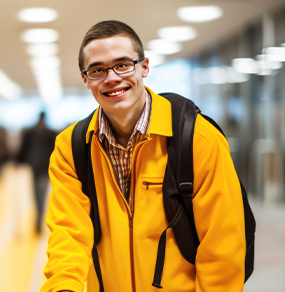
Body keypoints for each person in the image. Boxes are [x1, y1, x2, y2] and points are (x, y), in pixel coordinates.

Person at [42, 20, 246, 292]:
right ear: (85, 79)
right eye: (97, 70)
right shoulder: (71, 148)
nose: (112, 77)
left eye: (123, 64)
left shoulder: (199, 140)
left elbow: (222, 248)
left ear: (144, 66)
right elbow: (68, 234)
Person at [16, 112, 57, 234]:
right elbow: (55, 149)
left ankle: (38, 215)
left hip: (34, 165)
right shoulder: (50, 133)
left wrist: (18, 161)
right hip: (45, 166)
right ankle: (39, 215)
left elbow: (24, 148)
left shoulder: (30, 132)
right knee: (42, 191)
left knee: (35, 191)